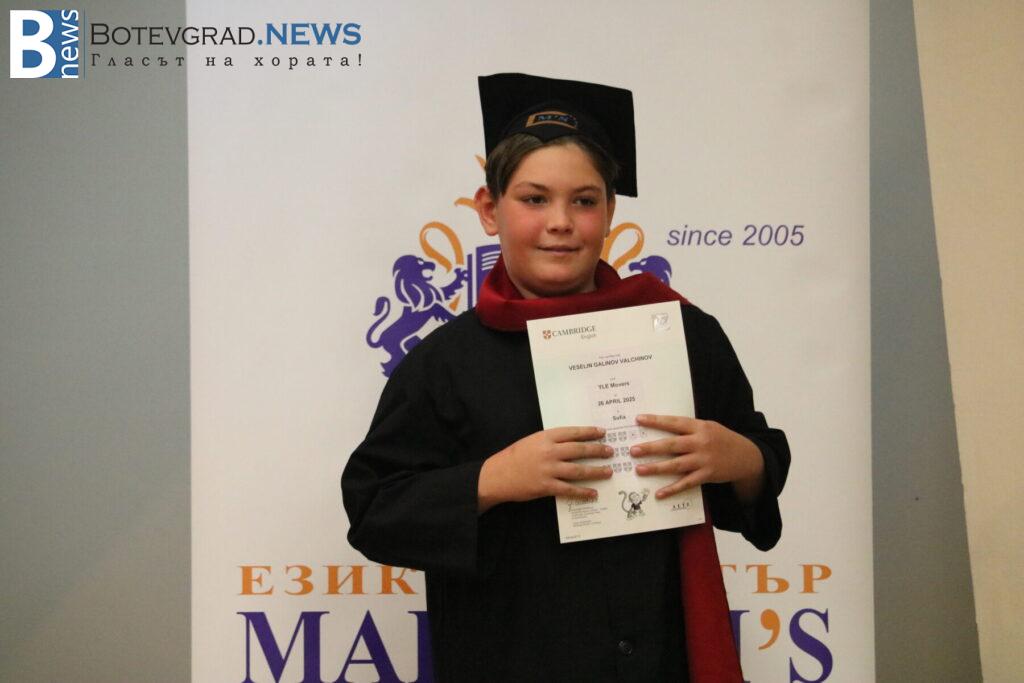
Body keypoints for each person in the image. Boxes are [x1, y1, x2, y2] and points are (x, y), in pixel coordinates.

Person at [342, 73, 789, 683]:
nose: (561, 221)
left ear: (610, 211)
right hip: (510, 658)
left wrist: (739, 459)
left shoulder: (680, 333)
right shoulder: (444, 363)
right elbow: (373, 509)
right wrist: (493, 479)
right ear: (489, 210)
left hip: (660, 658)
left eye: (584, 200)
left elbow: (762, 459)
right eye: (534, 199)